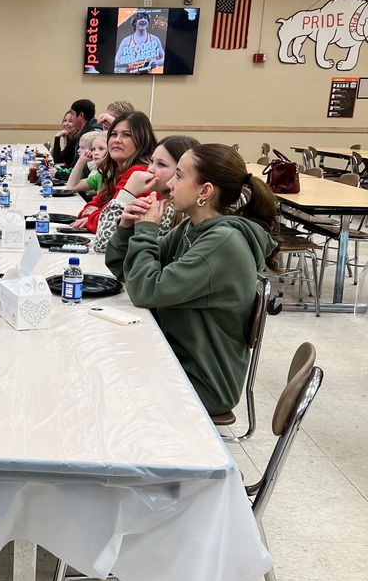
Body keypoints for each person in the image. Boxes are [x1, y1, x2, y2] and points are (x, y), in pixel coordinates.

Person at [105, 144, 278, 416]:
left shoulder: (222, 242)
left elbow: (146, 291)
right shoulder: (192, 227)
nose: (169, 184)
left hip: (202, 381)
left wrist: (147, 231)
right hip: (173, 355)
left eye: (179, 176)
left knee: (102, 382)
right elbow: (130, 275)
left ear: (205, 191)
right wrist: (127, 230)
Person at [92, 134, 200, 253]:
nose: (150, 169)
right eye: (151, 161)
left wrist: (127, 192)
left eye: (161, 164)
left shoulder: (167, 209)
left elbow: (103, 245)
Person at [69, 111, 157, 232]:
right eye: (114, 134)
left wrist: (93, 216)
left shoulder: (139, 172)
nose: (117, 140)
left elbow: (108, 222)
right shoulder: (118, 171)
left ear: (142, 140)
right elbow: (94, 204)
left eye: (126, 135)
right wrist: (94, 214)